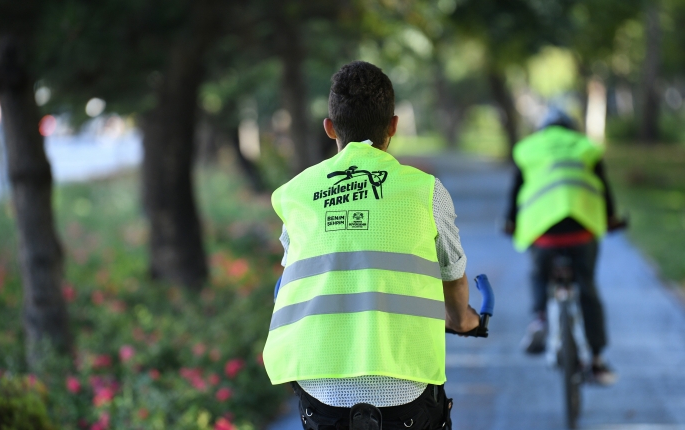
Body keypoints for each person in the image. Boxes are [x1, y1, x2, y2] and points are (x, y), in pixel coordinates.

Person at [262, 61, 480, 430]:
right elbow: (453, 275)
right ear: (393, 125)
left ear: (330, 127)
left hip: (321, 388)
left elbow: (294, 271)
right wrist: (462, 319)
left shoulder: (295, 193)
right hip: (404, 390)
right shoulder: (425, 191)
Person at [504, 108, 621, 385]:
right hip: (581, 231)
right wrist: (612, 219)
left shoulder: (528, 149)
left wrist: (510, 223)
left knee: (537, 273)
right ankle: (596, 360)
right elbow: (604, 190)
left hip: (543, 232)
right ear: (572, 129)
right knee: (587, 286)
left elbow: (515, 194)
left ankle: (539, 319)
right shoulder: (586, 148)